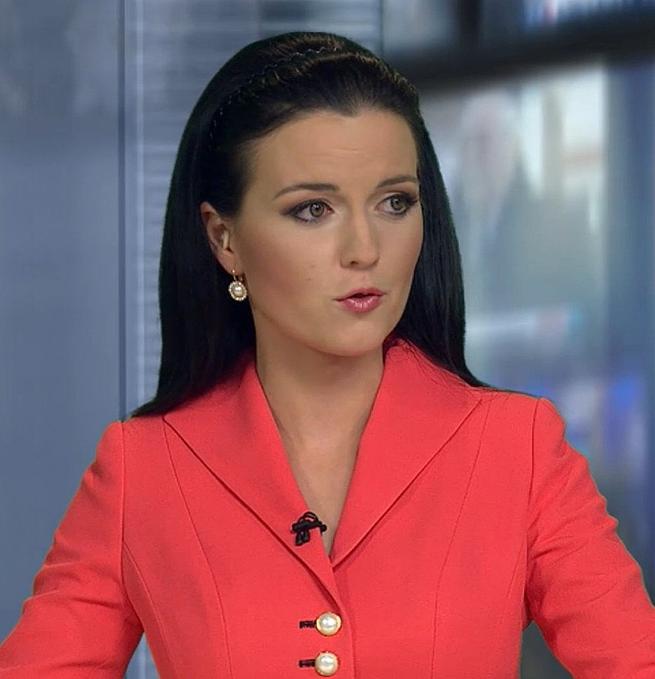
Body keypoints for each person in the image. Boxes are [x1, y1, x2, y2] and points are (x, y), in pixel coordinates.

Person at [1, 30, 653, 678]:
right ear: (223, 238)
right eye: (313, 209)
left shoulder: (518, 447)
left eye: (394, 202)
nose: (364, 249)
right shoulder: (144, 469)